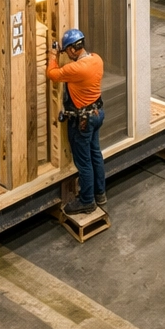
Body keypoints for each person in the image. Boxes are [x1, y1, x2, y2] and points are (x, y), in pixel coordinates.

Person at [47, 29, 107, 215]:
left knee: (84, 162)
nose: (67, 55)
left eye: (67, 51)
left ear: (73, 49)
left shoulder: (76, 69)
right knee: (95, 154)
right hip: (96, 114)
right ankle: (100, 194)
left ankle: (87, 201)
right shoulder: (96, 59)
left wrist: (52, 55)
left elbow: (52, 74)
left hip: (83, 121)